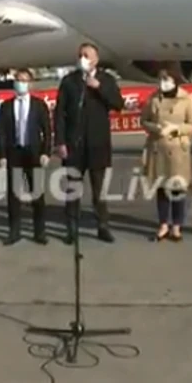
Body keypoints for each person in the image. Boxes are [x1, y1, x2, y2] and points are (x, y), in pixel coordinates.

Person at [54, 43, 124, 244]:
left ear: (96, 59)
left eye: (86, 55)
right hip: (74, 145)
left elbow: (117, 104)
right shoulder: (69, 81)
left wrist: (99, 88)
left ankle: (103, 226)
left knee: (99, 190)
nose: (82, 58)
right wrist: (60, 141)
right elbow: (60, 113)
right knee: (72, 190)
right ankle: (72, 228)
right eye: (80, 54)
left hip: (97, 144)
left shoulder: (106, 79)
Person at [140, 68, 192, 242]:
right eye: (161, 79)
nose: (163, 83)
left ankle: (177, 226)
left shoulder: (186, 99)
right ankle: (163, 224)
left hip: (178, 148)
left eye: (167, 80)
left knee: (178, 188)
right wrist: (155, 128)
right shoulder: (153, 98)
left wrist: (177, 129)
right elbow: (144, 120)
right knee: (162, 187)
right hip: (158, 147)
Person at [0, 68, 52, 245]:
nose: (21, 83)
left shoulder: (38, 105)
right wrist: (2, 155)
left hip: (33, 153)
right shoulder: (6, 106)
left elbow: (47, 131)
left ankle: (39, 232)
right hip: (14, 153)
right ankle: (14, 231)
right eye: (18, 80)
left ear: (30, 83)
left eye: (24, 80)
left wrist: (45, 152)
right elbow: (2, 133)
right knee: (14, 195)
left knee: (37, 193)